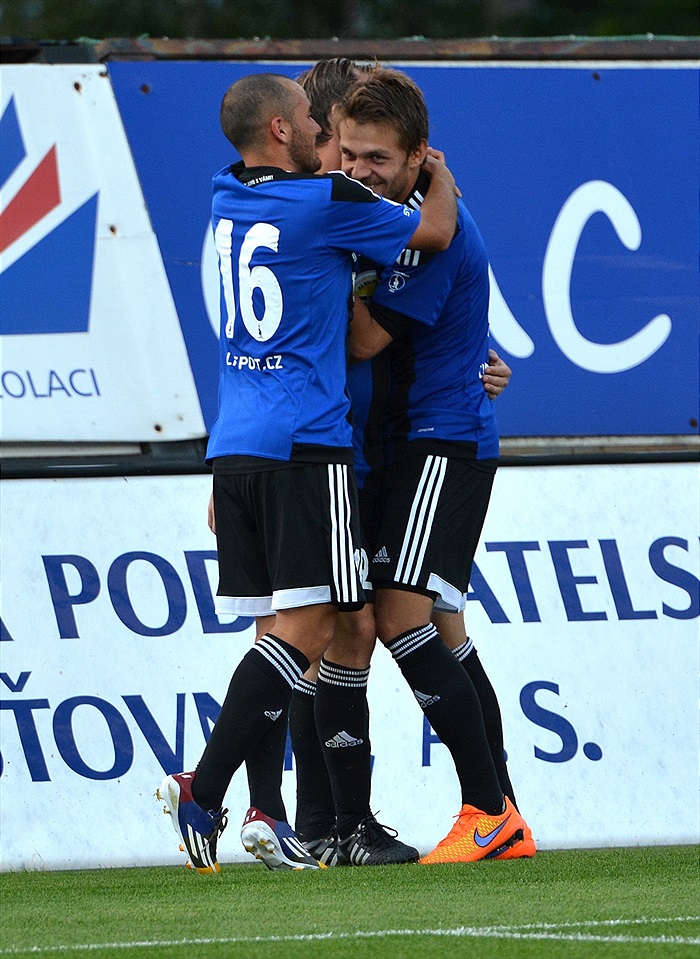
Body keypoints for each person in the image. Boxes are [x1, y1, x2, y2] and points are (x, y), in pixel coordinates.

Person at [156, 71, 459, 874]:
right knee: (315, 628)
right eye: (312, 120)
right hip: (306, 442)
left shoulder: (224, 197)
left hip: (234, 445)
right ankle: (207, 785)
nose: (326, 136)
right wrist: (436, 169)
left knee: (278, 626)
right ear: (287, 133)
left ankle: (264, 811)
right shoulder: (322, 202)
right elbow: (431, 233)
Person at [288, 60, 533, 867]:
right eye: (347, 153)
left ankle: (491, 809)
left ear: (419, 157)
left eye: (375, 159)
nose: (358, 170)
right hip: (393, 448)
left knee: (400, 619)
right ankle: (334, 821)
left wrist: (322, 276)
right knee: (361, 626)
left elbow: (365, 339)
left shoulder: (431, 221)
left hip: (441, 439)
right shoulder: (384, 214)